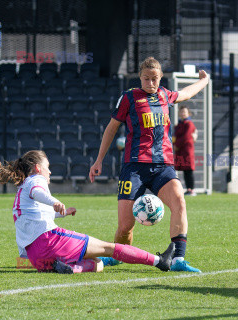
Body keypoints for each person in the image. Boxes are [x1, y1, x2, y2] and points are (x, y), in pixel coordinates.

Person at [89, 57, 209, 272]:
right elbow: (111, 129)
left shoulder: (164, 95)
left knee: (180, 202)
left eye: (155, 79)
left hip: (163, 166)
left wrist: (204, 81)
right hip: (134, 167)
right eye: (146, 78)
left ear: (160, 78)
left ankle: (178, 259)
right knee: (126, 226)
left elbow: (187, 93)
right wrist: (99, 160)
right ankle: (118, 255)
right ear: (140, 77)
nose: (151, 83)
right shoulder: (129, 98)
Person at [0, 150, 175, 274]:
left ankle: (70, 268)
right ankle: (160, 261)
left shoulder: (21, 191)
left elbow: (37, 214)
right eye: (47, 166)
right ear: (37, 167)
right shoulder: (35, 180)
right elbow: (38, 192)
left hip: (36, 258)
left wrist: (62, 213)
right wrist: (55, 201)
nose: (49, 171)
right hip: (50, 242)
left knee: (97, 264)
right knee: (109, 248)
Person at [173, 105, 198, 196]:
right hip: (180, 150)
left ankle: (192, 189)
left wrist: (177, 145)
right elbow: (175, 136)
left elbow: (186, 137)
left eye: (184, 112)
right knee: (184, 170)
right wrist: (174, 144)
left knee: (189, 170)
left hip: (187, 150)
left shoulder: (189, 124)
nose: (183, 113)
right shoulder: (179, 124)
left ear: (188, 113)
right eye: (181, 112)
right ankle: (188, 189)